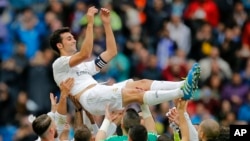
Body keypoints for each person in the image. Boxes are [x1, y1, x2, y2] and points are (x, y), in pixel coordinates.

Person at [50, 6, 201, 116]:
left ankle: (184, 84)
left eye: (73, 37)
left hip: (97, 92)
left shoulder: (83, 66)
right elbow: (85, 53)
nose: (74, 39)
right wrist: (90, 23)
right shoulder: (59, 64)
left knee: (141, 83)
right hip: (90, 97)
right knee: (136, 93)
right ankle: (181, 92)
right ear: (59, 45)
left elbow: (111, 52)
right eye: (69, 38)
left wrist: (107, 24)